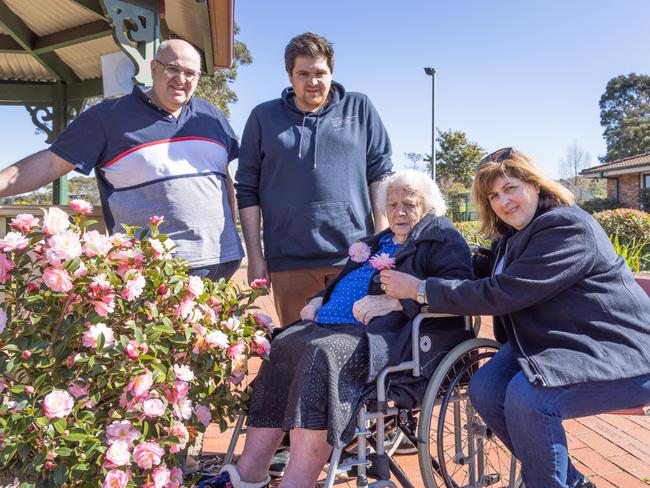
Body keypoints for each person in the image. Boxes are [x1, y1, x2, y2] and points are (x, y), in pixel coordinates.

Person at [380, 148, 650, 488]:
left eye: (510, 188)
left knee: (529, 399)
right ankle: (571, 481)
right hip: (559, 343)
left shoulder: (566, 227)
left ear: (535, 185)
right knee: (486, 387)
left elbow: (501, 292)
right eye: (493, 195)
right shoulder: (515, 237)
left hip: (616, 352)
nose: (503, 201)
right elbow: (482, 273)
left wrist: (422, 288)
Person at [203, 170, 473, 488]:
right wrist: (317, 300)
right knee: (281, 344)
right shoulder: (377, 241)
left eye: (409, 203)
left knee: (322, 355)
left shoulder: (441, 236)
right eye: (392, 203)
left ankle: (298, 480)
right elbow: (344, 282)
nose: (399, 211)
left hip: (390, 337)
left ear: (428, 206)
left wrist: (398, 303)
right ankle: (249, 472)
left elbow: (460, 290)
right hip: (332, 325)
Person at [0, 39, 243, 281]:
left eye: (191, 73)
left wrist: (233, 239)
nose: (181, 79)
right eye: (173, 69)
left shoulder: (211, 115)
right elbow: (50, 163)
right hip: (156, 271)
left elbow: (225, 180)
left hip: (222, 261)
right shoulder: (107, 118)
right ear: (154, 68)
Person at [236, 32, 393, 325]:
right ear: (290, 76)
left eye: (320, 73)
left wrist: (382, 241)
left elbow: (380, 172)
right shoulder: (263, 117)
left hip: (353, 257)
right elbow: (246, 189)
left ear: (331, 73)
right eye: (303, 74)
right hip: (289, 260)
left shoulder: (359, 108)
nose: (313, 82)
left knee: (354, 348)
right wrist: (256, 258)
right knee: (297, 349)